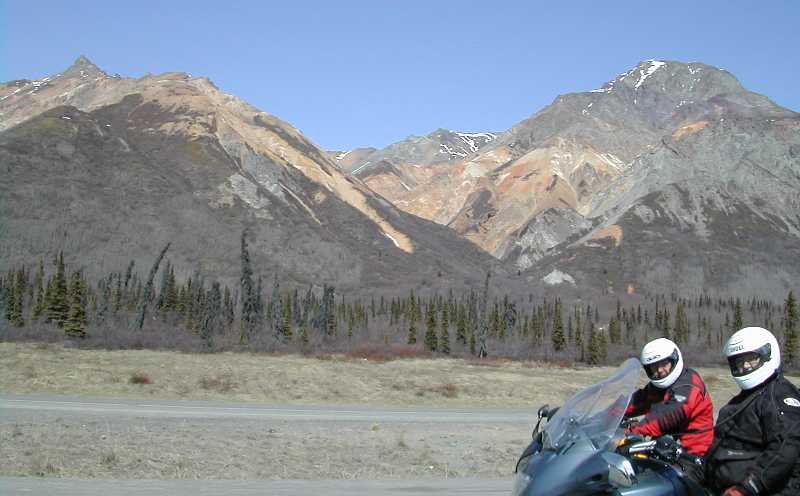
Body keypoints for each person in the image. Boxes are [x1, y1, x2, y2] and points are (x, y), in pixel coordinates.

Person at [704, 327, 800, 496]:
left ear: (767, 355)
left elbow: (784, 447)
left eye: (751, 359)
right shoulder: (744, 398)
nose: (745, 366)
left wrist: (749, 487)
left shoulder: (779, 395)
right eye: (739, 362)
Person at [624, 338, 715, 457]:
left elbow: (667, 416)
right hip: (665, 451)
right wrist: (604, 417)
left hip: (694, 457)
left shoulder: (688, 385)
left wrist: (632, 432)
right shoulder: (659, 386)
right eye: (654, 367)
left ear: (674, 359)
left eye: (663, 364)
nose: (660, 370)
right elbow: (636, 402)